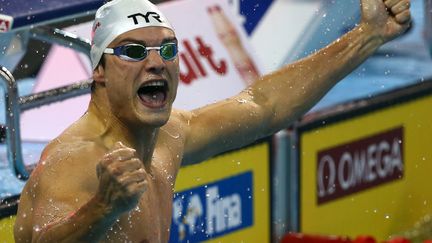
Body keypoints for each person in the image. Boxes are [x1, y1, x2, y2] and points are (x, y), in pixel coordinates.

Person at [13, 0, 411, 242]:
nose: (156, 62)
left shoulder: (168, 136)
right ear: (98, 71)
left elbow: (264, 104)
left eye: (167, 48)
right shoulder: (76, 160)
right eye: (133, 52)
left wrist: (367, 37)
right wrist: (102, 207)